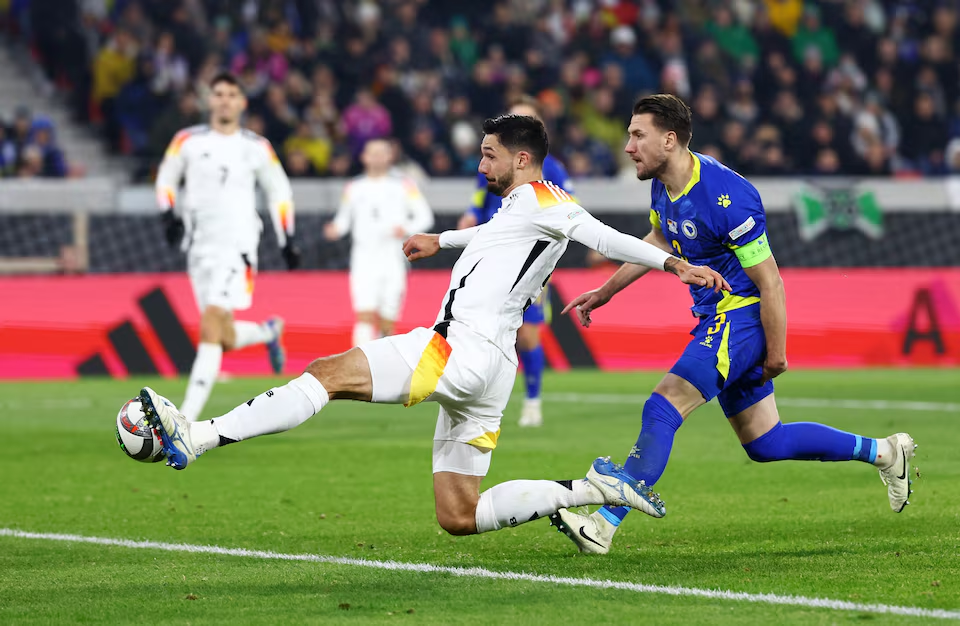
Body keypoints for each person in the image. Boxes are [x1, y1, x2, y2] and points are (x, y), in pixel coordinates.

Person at [137, 114, 731, 539]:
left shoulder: (553, 203)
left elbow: (606, 237)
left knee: (327, 373)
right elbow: (490, 236)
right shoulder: (522, 208)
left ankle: (200, 435)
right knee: (460, 516)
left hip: (458, 349)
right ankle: (595, 490)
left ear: (521, 158)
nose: (481, 164)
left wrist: (676, 263)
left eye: (489, 154)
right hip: (490, 370)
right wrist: (439, 240)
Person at [551, 94, 917, 555]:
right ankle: (885, 451)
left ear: (669, 139)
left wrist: (777, 352)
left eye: (637, 135)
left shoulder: (728, 195)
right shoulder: (662, 183)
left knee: (664, 406)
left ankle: (602, 525)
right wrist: (606, 291)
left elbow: (771, 282)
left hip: (739, 315)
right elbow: (659, 239)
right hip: (715, 316)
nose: (628, 146)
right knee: (766, 442)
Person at [156, 71, 301, 422]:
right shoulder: (186, 140)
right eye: (218, 93)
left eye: (231, 94)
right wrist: (168, 215)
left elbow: (279, 191)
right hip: (199, 246)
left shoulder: (256, 147)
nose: (224, 100)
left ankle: (184, 420)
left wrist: (287, 238)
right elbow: (166, 178)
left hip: (238, 246)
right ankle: (267, 332)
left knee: (210, 324)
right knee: (218, 332)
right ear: (209, 100)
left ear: (242, 102)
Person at [457, 95, 573, 428]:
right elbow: (479, 201)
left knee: (527, 335)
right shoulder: (493, 161)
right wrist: (468, 217)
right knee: (480, 328)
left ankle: (532, 401)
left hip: (529, 263)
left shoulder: (551, 168)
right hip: (490, 257)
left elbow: (567, 213)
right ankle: (479, 397)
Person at [323, 138, 434, 346]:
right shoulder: (354, 187)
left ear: (390, 156)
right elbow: (343, 220)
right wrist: (335, 230)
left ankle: (382, 369)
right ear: (364, 157)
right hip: (363, 258)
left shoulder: (404, 185)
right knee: (363, 315)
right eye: (372, 153)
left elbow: (424, 217)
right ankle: (360, 368)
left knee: (387, 320)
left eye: (382, 152)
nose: (377, 157)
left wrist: (406, 228)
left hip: (392, 257)